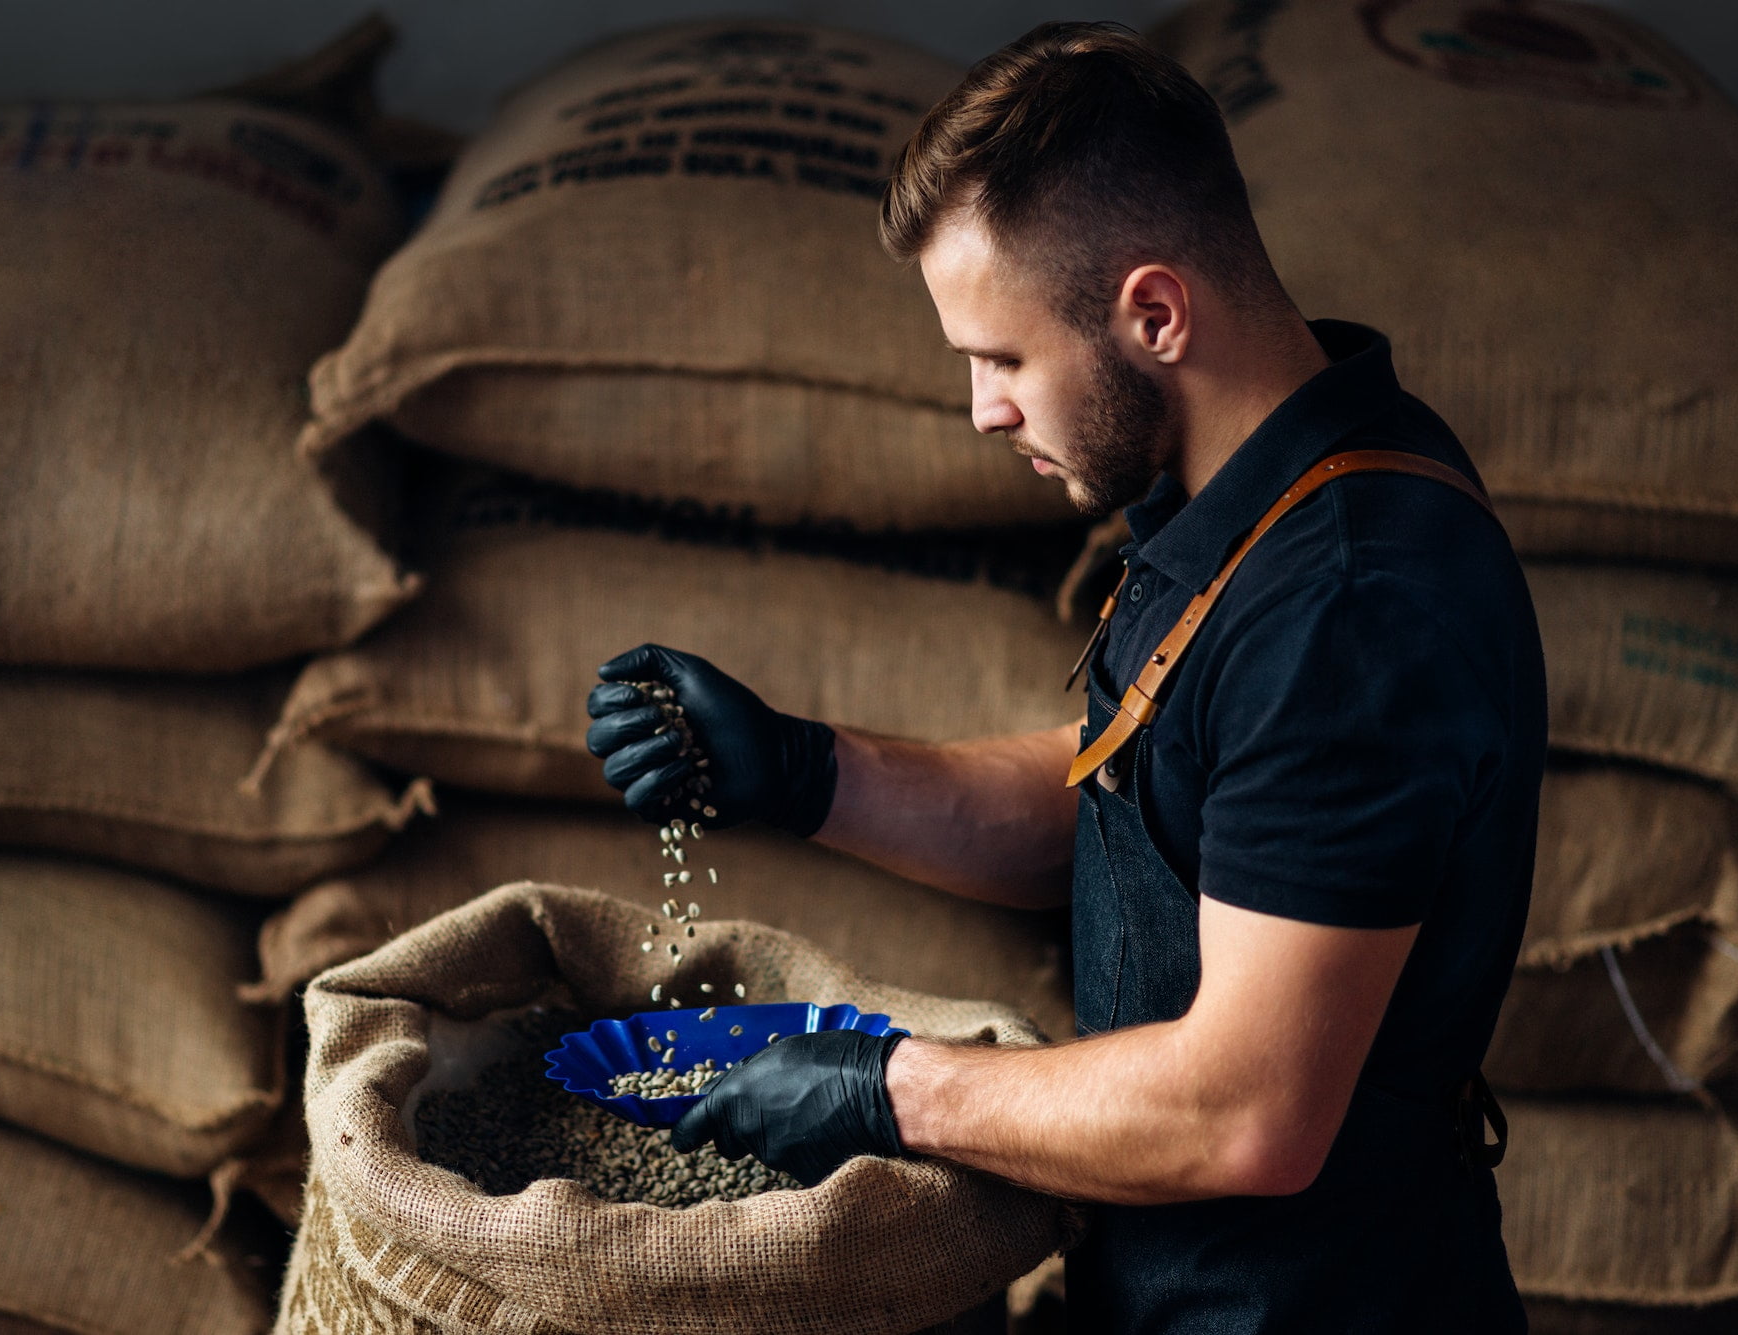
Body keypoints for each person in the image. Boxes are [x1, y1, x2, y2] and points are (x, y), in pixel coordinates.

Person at [584, 21, 1545, 1334]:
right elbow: (1151, 817)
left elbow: (1247, 1112)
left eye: (1002, 358)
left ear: (1155, 312)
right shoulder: (1249, 495)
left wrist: (890, 1089)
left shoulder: (1348, 610)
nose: (982, 408)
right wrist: (808, 772)